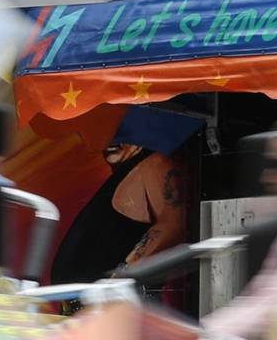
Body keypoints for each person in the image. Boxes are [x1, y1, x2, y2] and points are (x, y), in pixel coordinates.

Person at [48, 107, 196, 286]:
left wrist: (119, 281)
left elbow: (175, 225)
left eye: (124, 129)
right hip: (92, 305)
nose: (113, 138)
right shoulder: (129, 170)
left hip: (115, 304)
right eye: (106, 129)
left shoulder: (155, 164)